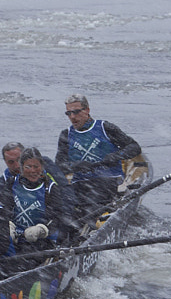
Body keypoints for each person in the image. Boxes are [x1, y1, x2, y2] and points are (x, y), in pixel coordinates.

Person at [55, 94, 142, 227]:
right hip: (81, 185)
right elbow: (59, 166)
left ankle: (91, 224)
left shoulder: (105, 128)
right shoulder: (66, 135)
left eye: (76, 112)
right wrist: (75, 166)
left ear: (87, 110)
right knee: (63, 208)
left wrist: (115, 156)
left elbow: (134, 147)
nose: (72, 117)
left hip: (108, 182)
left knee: (90, 207)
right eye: (68, 113)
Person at [1, 146, 75, 250]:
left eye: (36, 167)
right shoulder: (10, 184)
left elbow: (57, 218)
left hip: (40, 241)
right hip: (15, 238)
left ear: (42, 167)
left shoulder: (50, 188)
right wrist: (7, 226)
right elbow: (3, 210)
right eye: (28, 167)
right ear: (21, 167)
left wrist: (42, 229)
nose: (32, 171)